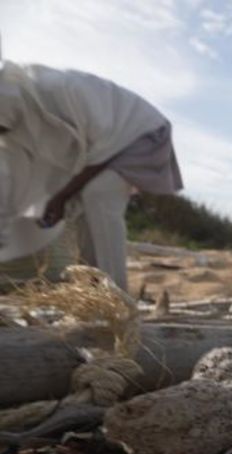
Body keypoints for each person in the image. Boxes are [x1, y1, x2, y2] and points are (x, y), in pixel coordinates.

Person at [0, 46, 183, 291]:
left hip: (135, 133)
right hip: (96, 150)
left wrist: (63, 195)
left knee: (98, 193)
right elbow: (12, 182)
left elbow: (103, 147)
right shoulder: (17, 124)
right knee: (82, 209)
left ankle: (113, 297)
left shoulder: (55, 90)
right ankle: (92, 289)